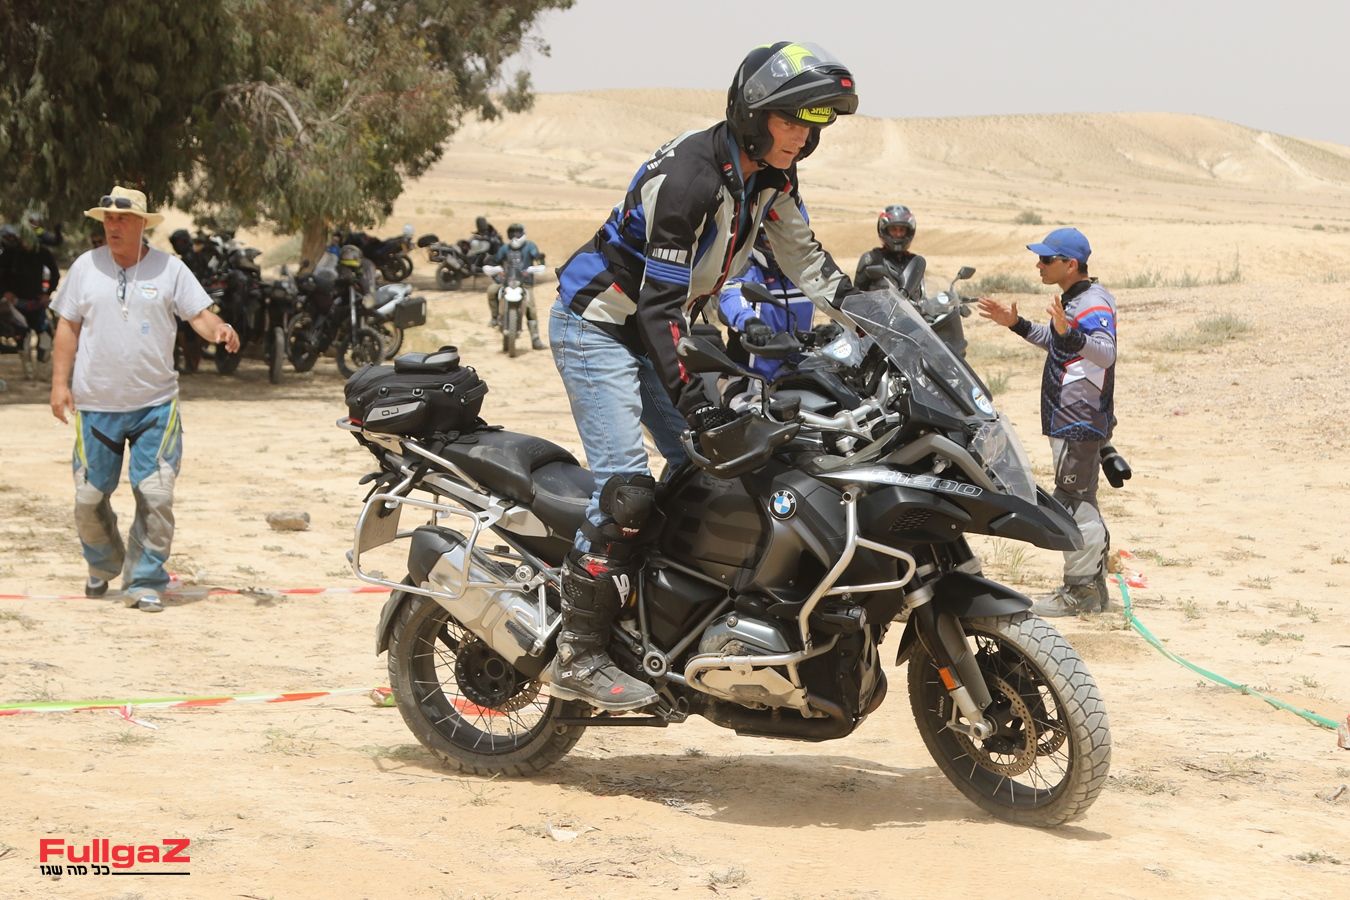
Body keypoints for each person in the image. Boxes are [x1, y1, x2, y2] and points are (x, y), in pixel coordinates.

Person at [546, 41, 859, 710]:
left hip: (661, 327)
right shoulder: (691, 178)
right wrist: (697, 401)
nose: (801, 138)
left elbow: (808, 263)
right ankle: (578, 650)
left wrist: (879, 322)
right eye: (790, 121)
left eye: (812, 126)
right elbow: (658, 304)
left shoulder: (771, 177)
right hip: (600, 324)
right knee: (628, 489)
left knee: (719, 467)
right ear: (752, 113)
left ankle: (660, 613)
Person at [49, 186, 239, 612]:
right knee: (88, 498)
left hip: (155, 406)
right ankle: (103, 563)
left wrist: (220, 330)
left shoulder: (169, 269)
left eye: (122, 219)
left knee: (155, 495)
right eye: (108, 219)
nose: (113, 226)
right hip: (96, 407)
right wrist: (59, 384)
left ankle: (145, 580)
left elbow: (199, 315)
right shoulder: (85, 267)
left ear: (141, 224)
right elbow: (67, 327)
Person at [976, 227, 1117, 616]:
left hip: (1079, 419)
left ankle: (1082, 591)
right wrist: (1016, 324)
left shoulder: (1092, 303)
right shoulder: (1076, 300)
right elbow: (1059, 343)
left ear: (1070, 265)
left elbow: (1105, 353)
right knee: (1079, 499)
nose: (1038, 265)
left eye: (1046, 259)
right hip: (1070, 419)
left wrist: (1069, 333)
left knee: (1073, 503)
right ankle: (1091, 587)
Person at [717, 221, 814, 379]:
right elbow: (732, 296)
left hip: (798, 375)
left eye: (786, 238)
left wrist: (832, 328)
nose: (779, 245)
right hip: (749, 376)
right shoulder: (744, 268)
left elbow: (834, 296)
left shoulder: (806, 272)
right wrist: (750, 322)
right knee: (741, 396)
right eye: (770, 239)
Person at [0, 221, 61, 362]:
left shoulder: (42, 252)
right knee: (22, 335)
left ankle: (41, 360)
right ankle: (26, 363)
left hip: (36, 302)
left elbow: (55, 274)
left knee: (44, 335)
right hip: (15, 303)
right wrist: (5, 292)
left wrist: (48, 293)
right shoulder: (11, 252)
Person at [486, 223, 546, 349]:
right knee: (491, 290)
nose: (515, 236)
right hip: (507, 281)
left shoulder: (530, 246)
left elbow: (538, 259)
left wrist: (536, 266)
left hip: (525, 283)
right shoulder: (505, 248)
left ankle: (535, 339)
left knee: (531, 308)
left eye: (518, 233)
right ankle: (495, 317)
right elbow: (495, 260)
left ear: (523, 233)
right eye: (512, 233)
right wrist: (495, 268)